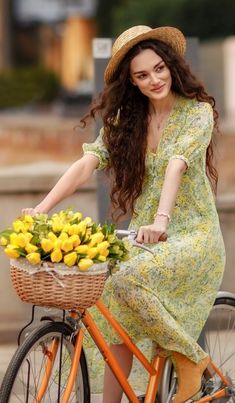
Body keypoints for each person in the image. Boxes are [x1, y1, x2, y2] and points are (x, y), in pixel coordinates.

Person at [23, 25, 225, 403]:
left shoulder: (196, 114)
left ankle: (192, 361)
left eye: (160, 69)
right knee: (110, 308)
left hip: (191, 234)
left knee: (127, 278)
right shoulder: (126, 121)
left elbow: (176, 165)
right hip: (146, 235)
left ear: (173, 67)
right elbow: (87, 163)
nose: (155, 80)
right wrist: (41, 209)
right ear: (131, 82)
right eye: (142, 75)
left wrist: (162, 221)